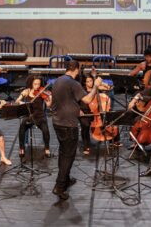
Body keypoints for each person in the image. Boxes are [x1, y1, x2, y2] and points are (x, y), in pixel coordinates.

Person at [50, 60, 102, 200]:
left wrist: (75, 110)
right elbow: (87, 100)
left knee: (63, 152)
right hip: (68, 124)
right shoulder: (73, 83)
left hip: (57, 122)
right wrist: (96, 86)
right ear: (76, 69)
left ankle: (65, 180)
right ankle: (59, 186)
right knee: (69, 156)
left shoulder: (58, 81)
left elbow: (64, 101)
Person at [15, 76, 52, 158]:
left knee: (46, 130)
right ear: (31, 83)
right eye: (35, 84)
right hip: (29, 116)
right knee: (22, 129)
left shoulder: (42, 92)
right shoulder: (27, 91)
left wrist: (50, 98)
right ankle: (21, 148)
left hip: (40, 116)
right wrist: (22, 103)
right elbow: (17, 101)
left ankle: (47, 149)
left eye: (39, 84)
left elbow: (48, 105)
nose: (37, 86)